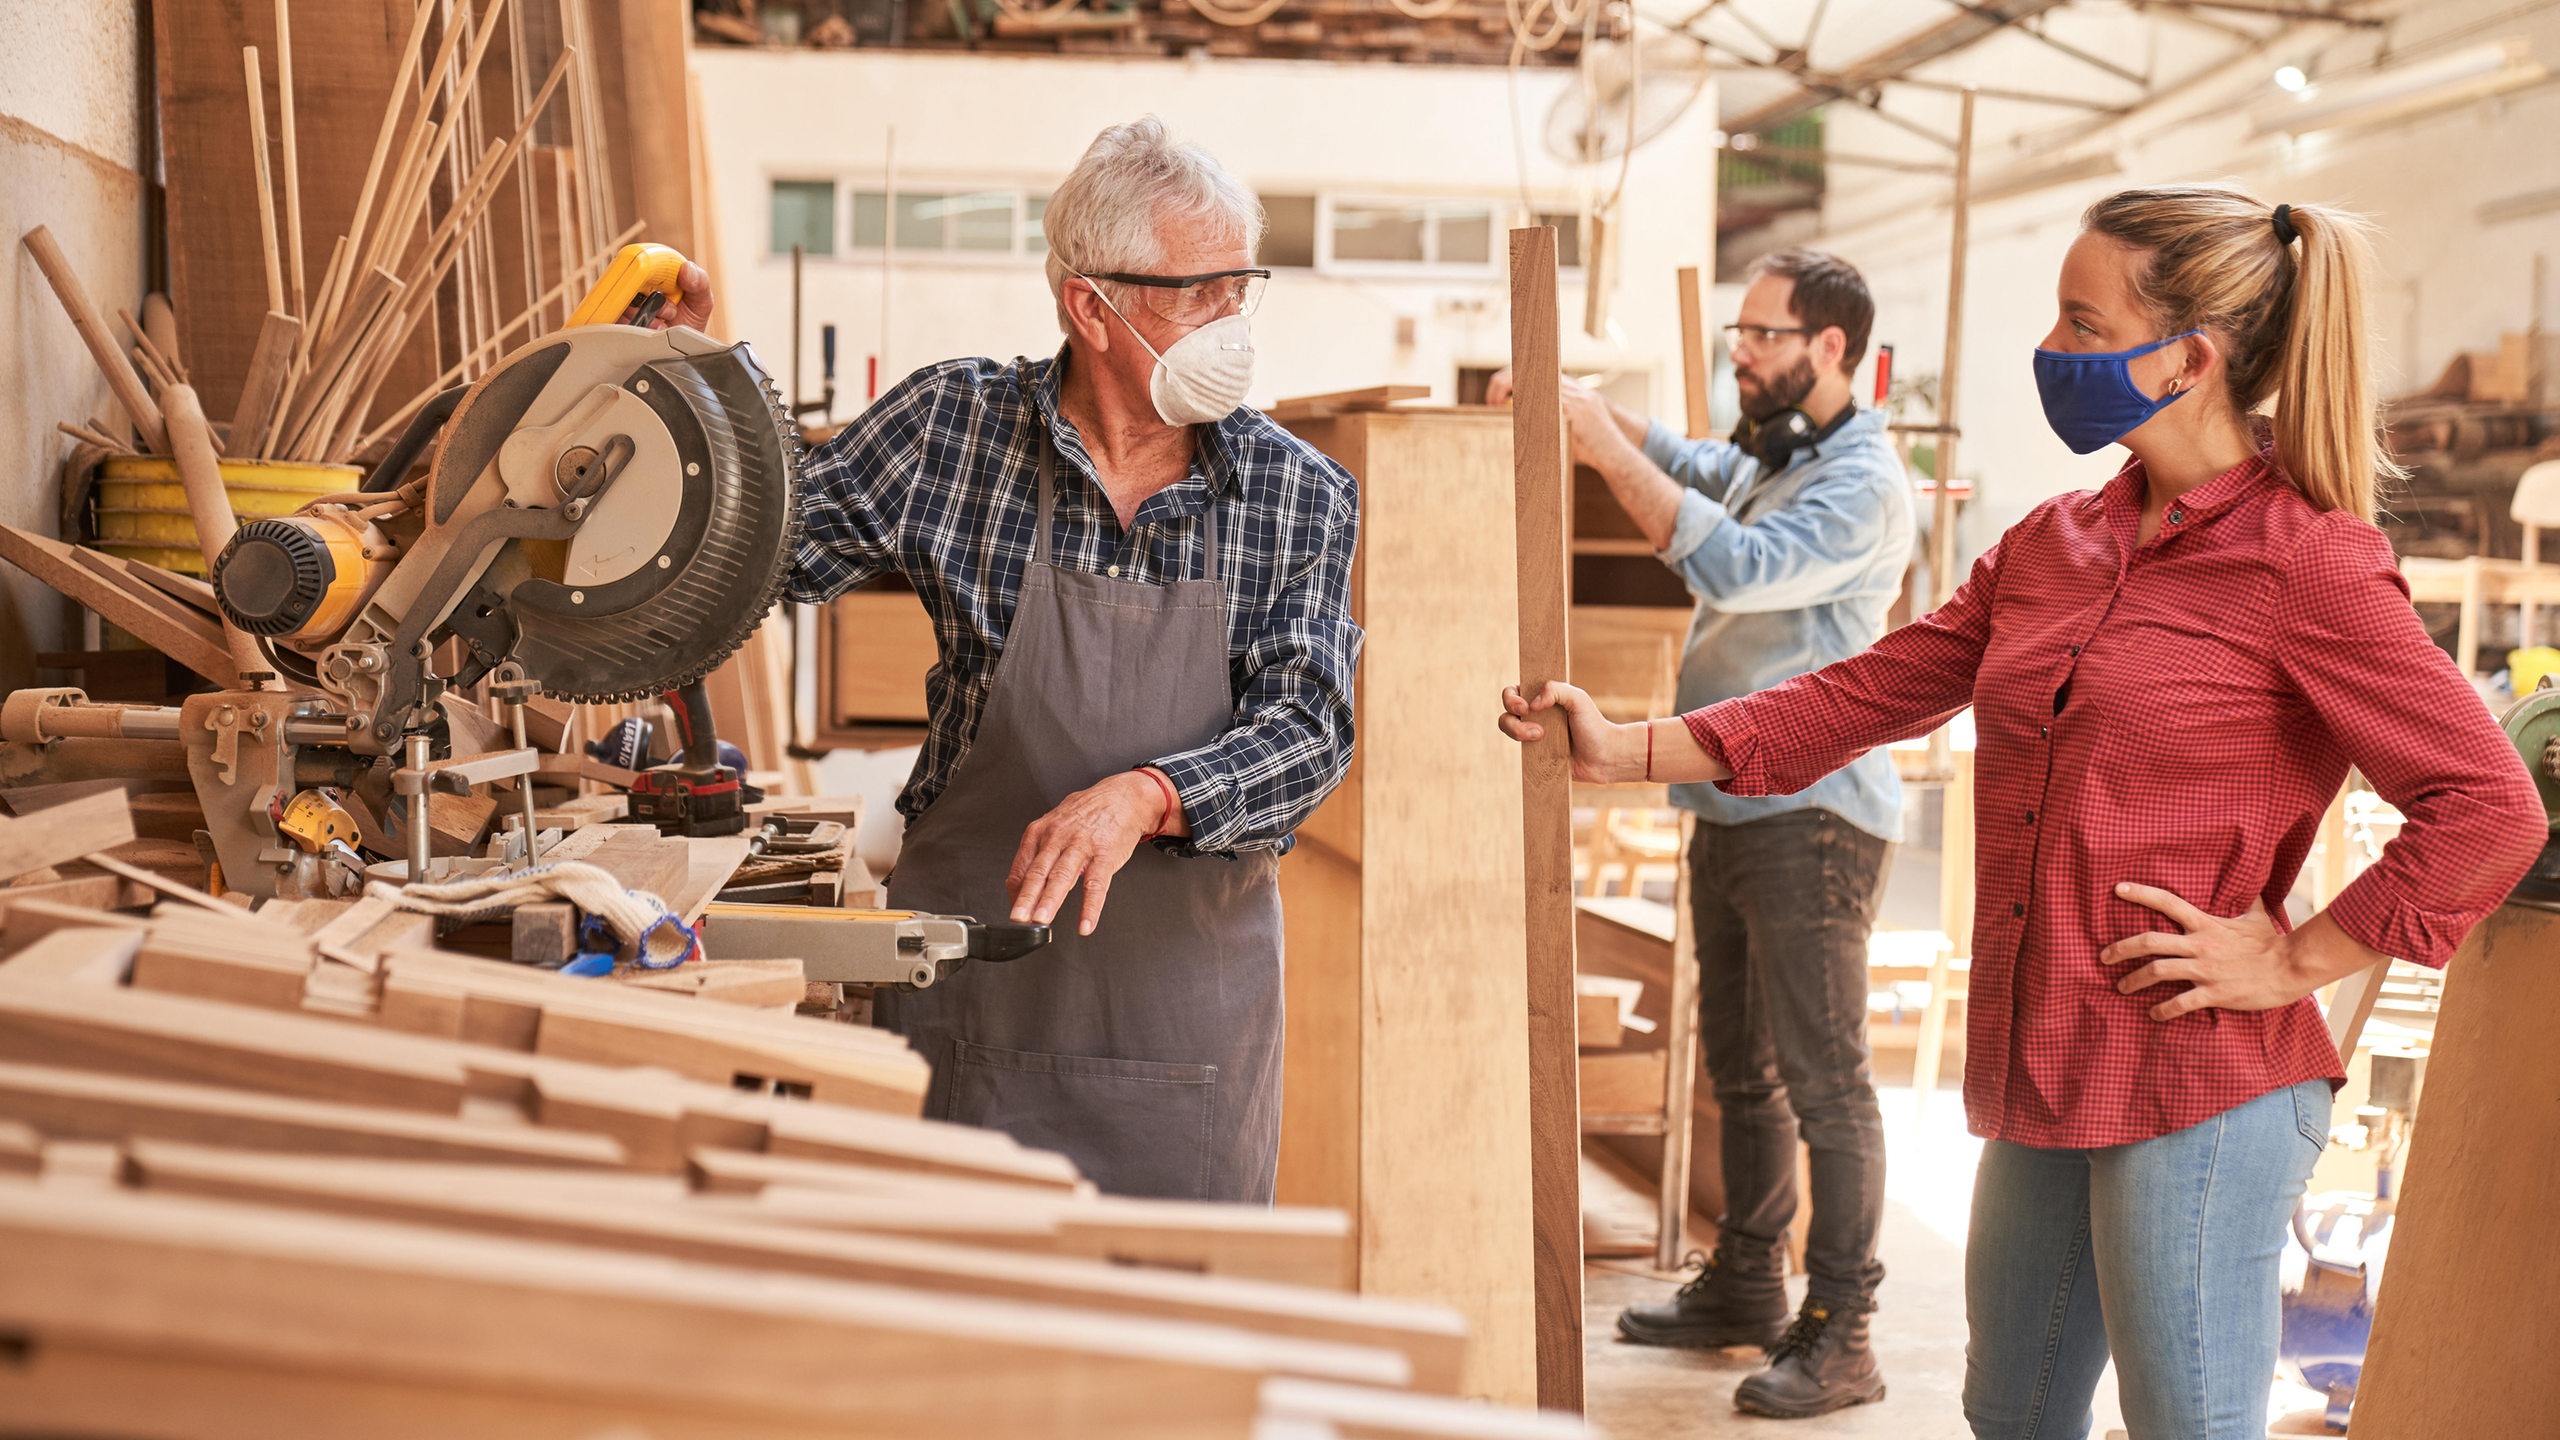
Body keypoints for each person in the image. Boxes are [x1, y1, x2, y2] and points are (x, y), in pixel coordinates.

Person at [1498, 187, 2545, 1438]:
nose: (2049, 349)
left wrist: (2297, 958)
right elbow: (1870, 690)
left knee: (2185, 1424)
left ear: (2189, 357)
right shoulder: (2056, 544)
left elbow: (2486, 803)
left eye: (2077, 319)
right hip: (2042, 1061)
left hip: (2196, 1082)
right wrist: (1630, 751)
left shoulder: (2305, 559)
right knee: (2012, 1415)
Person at [776, 117, 1361, 1203]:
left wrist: (1147, 796)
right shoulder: (950, 432)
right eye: (1201, 293)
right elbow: (755, 553)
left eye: (1245, 288)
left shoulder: (1297, 492)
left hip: (1182, 1021)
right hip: (969, 989)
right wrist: (706, 402)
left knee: (1170, 1336)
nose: (1232, 322)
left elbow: (1310, 730)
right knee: (939, 1323)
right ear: (1090, 305)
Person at [1495, 247, 1913, 1419]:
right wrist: (1587, 409)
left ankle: (1843, 1328)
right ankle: (1746, 1283)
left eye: (1761, 335)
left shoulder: (1862, 483)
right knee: (1742, 1072)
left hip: (1814, 818)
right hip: (1733, 800)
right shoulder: (1783, 454)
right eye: (1737, 330)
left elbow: (1732, 563)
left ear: (1830, 348)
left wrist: (1602, 447)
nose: (1740, 351)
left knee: (1826, 1084)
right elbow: (1695, 464)